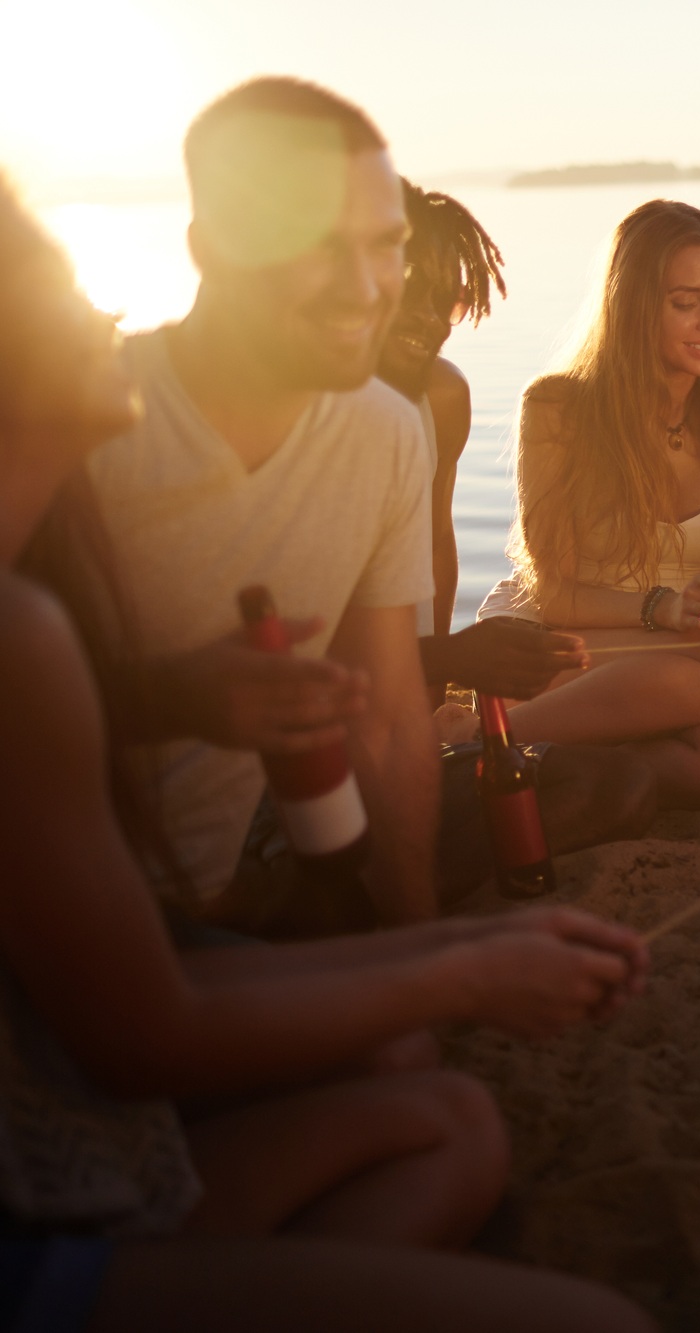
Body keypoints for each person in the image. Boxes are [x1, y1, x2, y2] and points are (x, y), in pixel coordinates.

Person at [0, 170, 655, 1333]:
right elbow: (137, 1021)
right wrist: (462, 963)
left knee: (453, 1116)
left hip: (77, 1019)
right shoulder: (31, 619)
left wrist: (446, 943)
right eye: (57, 280)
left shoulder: (404, 423)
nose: (106, 305)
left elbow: (398, 677)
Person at [74, 78, 442, 934]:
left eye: (386, 243)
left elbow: (385, 722)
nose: (365, 287)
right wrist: (170, 700)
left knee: (418, 1059)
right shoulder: (81, 428)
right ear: (209, 249)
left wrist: (418, 950)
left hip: (200, 909)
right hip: (51, 928)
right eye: (315, 245)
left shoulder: (387, 432)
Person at [377, 178, 656, 902]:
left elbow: (436, 546)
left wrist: (427, 695)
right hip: (310, 732)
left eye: (449, 296)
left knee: (618, 786)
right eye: (410, 284)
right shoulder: (312, 421)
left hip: (393, 694)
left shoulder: (439, 397)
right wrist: (448, 657)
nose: (430, 316)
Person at [473, 200, 700, 807]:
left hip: (682, 658)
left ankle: (581, 759)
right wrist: (664, 608)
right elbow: (556, 593)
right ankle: (481, 735)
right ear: (633, 305)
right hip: (560, 637)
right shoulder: (559, 407)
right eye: (684, 302)